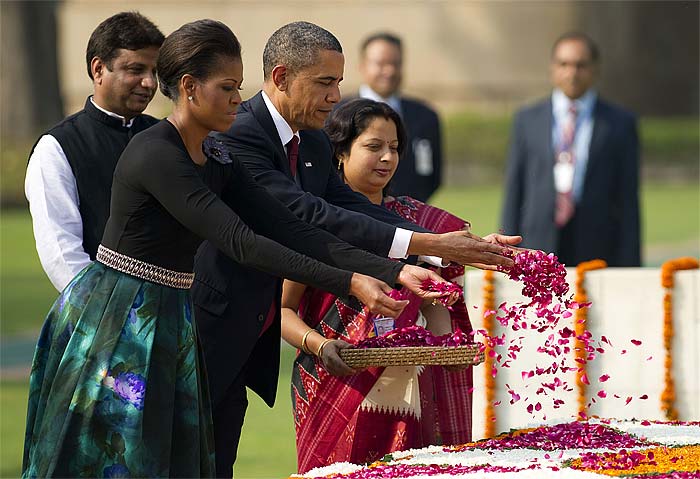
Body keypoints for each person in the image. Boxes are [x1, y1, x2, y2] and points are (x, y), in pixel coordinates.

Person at [21, 20, 451, 477]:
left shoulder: (216, 154)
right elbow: (242, 242)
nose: (236, 99)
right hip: (119, 317)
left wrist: (390, 271)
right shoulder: (157, 153)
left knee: (185, 459)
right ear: (189, 88)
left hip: (171, 313)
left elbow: (288, 226)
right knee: (114, 460)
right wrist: (349, 280)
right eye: (227, 88)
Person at [196, 21, 520, 476]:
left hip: (254, 327)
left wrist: (447, 248)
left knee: (220, 457)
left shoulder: (309, 135)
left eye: (339, 83)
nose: (335, 97)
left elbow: (350, 204)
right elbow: (306, 214)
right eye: (325, 83)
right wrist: (425, 244)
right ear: (282, 77)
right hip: (211, 320)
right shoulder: (239, 134)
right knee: (190, 457)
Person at [281, 99, 474, 473]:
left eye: (395, 148)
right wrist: (321, 346)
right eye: (373, 147)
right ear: (339, 152)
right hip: (332, 382)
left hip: (409, 381)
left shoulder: (414, 221)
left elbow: (435, 297)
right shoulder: (313, 219)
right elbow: (285, 311)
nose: (387, 157)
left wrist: (445, 346)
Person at [25, 12, 165, 291]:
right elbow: (61, 252)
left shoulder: (166, 137)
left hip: (175, 316)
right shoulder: (57, 147)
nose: (149, 83)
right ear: (98, 69)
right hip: (100, 317)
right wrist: (105, 310)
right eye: (136, 70)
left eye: (154, 72)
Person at [501, 31, 641, 266]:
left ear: (595, 69)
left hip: (597, 243)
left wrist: (630, 260)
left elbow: (628, 198)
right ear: (552, 68)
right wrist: (506, 251)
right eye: (564, 64)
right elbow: (514, 189)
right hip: (538, 240)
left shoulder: (619, 123)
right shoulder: (527, 120)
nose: (572, 73)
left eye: (580, 65)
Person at [354, 32, 443, 202]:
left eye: (395, 63)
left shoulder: (425, 116)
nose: (389, 71)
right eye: (381, 64)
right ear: (362, 66)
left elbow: (432, 176)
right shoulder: (337, 113)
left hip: (410, 218)